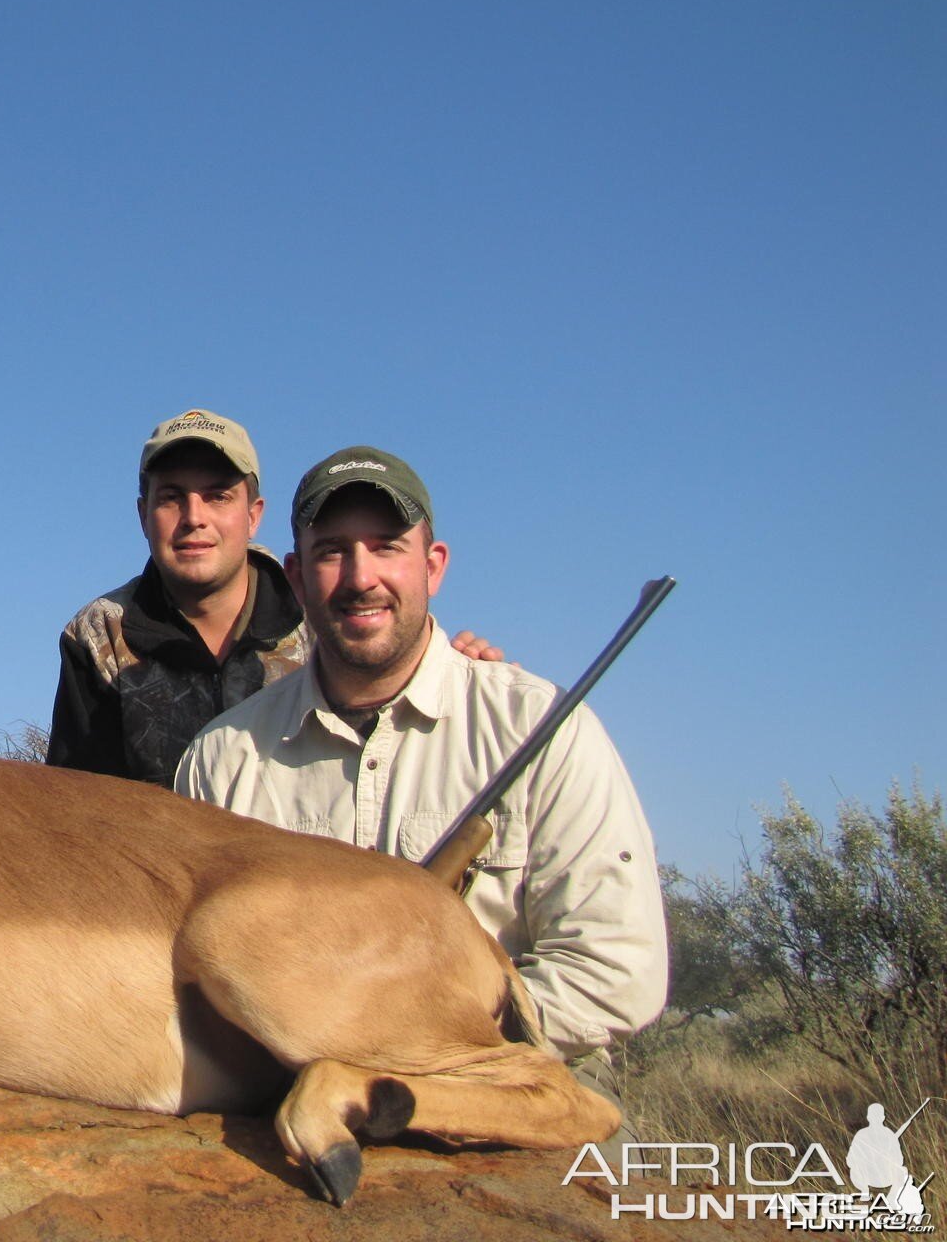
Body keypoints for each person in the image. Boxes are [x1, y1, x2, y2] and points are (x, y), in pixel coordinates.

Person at [174, 444, 667, 1112]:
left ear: (433, 567)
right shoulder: (221, 759)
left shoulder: (544, 727)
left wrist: (418, 1049)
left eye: (386, 547)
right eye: (331, 551)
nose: (360, 576)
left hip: (509, 1081)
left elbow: (616, 970)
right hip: (283, 1091)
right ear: (294, 576)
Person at [46, 412, 501, 788]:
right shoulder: (100, 633)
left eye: (218, 496)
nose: (194, 518)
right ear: (144, 515)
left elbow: (403, 669)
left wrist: (457, 671)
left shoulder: (325, 602)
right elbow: (81, 804)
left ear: (253, 515)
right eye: (171, 498)